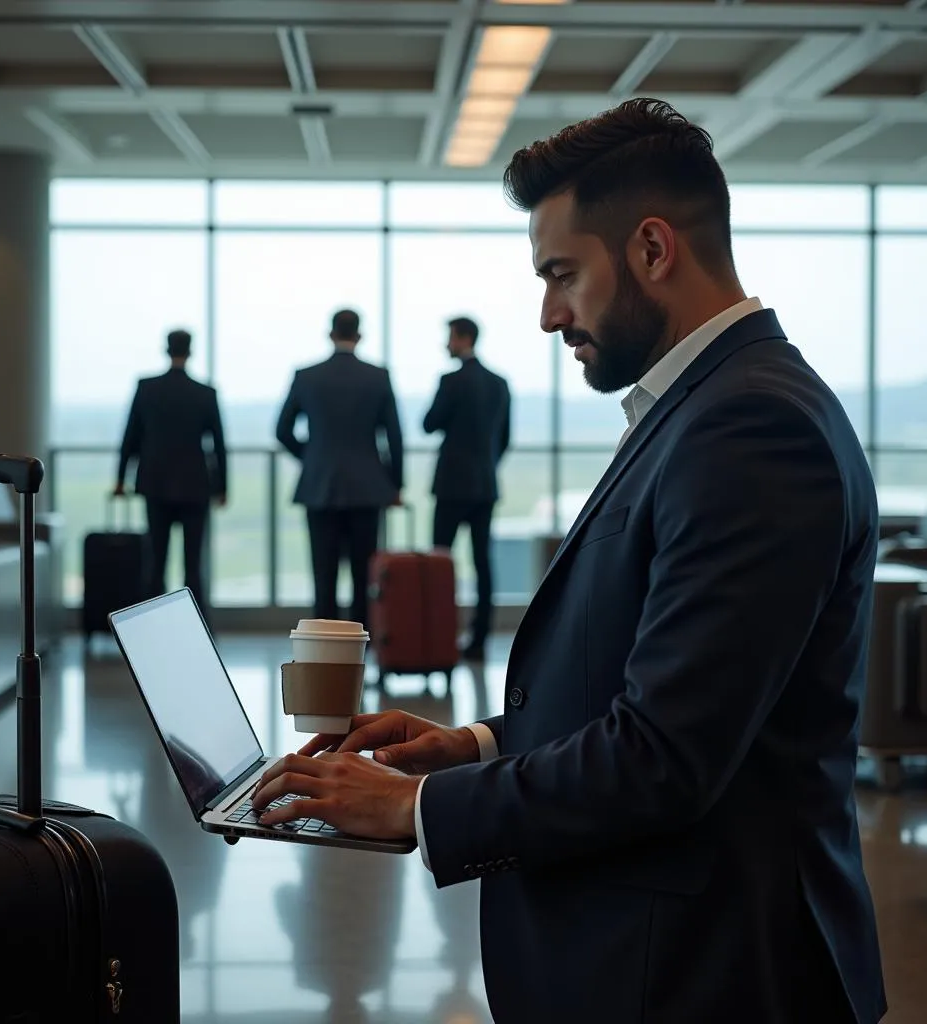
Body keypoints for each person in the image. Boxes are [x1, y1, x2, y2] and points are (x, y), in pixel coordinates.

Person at [252, 98, 886, 1023]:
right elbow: (647, 687)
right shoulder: (701, 404)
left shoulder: (751, 427)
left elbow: (665, 756)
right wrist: (468, 749)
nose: (550, 314)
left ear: (653, 249)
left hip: (705, 972)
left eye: (562, 274)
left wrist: (413, 810)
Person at [276, 309, 403, 629]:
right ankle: (360, 650)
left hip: (320, 486)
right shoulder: (378, 376)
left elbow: (282, 430)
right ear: (359, 336)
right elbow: (394, 436)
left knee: (324, 575)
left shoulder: (306, 375)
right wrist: (394, 484)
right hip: (367, 489)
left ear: (330, 334)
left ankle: (325, 650)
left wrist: (311, 456)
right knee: (364, 577)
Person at [114, 329, 227, 621]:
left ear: (166, 350)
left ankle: (154, 621)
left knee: (156, 560)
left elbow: (130, 436)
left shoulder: (147, 388)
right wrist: (222, 486)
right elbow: (218, 444)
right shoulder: (205, 393)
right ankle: (197, 622)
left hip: (155, 483)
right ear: (190, 352)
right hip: (195, 486)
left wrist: (120, 477)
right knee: (193, 563)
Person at [423, 317, 511, 661]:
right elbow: (504, 439)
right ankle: (479, 641)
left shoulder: (451, 381)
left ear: (461, 338)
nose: (446, 344)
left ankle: (436, 636)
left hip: (451, 484)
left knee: (440, 562)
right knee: (482, 562)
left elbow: (430, 423)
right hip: (484, 484)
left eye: (449, 338)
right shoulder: (499, 384)